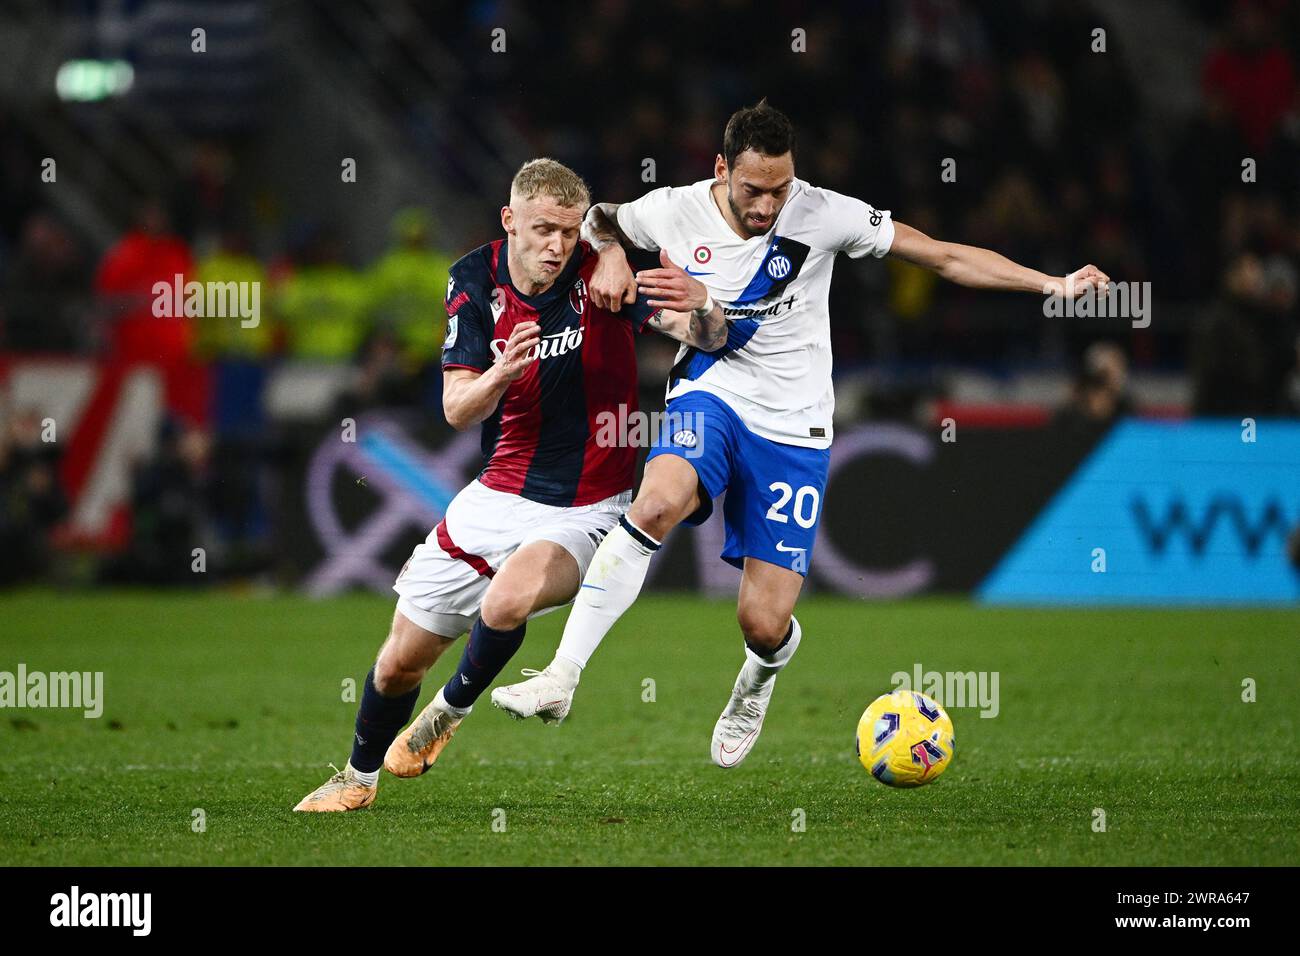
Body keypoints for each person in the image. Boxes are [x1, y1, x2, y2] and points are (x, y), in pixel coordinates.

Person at [495, 100, 1107, 768]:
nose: (766, 205)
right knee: (655, 502)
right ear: (723, 169)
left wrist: (1053, 283)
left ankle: (760, 675)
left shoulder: (823, 213)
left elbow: (941, 256)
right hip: (713, 392)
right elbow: (597, 218)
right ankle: (561, 676)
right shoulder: (673, 208)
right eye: (752, 189)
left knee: (762, 621)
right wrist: (610, 251)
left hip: (795, 424)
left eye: (779, 189)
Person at [293, 159, 725, 811]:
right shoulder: (472, 279)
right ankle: (356, 780)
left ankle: (445, 715)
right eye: (543, 229)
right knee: (396, 664)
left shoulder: (606, 275)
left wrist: (697, 304)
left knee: (507, 602)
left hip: (588, 508)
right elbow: (456, 408)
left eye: (569, 231)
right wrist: (497, 377)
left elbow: (712, 336)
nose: (556, 245)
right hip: (494, 499)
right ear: (510, 221)